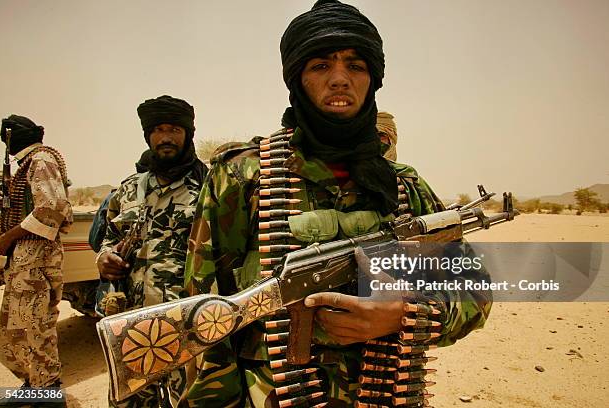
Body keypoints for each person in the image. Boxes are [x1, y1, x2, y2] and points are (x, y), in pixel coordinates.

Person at [184, 1, 491, 407]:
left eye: (356, 66)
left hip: (385, 394)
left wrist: (404, 314)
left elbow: (475, 291)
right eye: (321, 65)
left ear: (373, 80)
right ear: (297, 79)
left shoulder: (404, 186)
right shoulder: (243, 176)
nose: (341, 79)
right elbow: (202, 316)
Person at [96, 95, 208, 407]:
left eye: (174, 129)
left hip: (186, 326)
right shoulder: (130, 188)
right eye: (158, 130)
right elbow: (109, 237)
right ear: (148, 136)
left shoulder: (210, 186)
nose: (166, 137)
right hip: (131, 324)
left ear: (188, 134)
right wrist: (103, 257)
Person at [0, 115, 72, 407]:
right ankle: (35, 385)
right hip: (25, 256)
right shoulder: (30, 163)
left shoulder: (40, 160)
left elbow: (50, 209)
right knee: (14, 329)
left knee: (35, 327)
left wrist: (6, 239)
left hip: (37, 256)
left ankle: (49, 394)